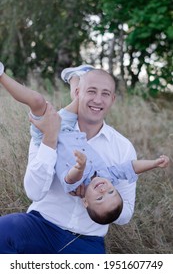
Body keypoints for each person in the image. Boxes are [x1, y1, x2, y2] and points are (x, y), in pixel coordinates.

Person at [0, 62, 169, 253]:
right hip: (42, 225)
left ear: (113, 99)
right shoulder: (52, 125)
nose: (98, 100)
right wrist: (49, 136)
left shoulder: (122, 148)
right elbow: (33, 192)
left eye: (105, 94)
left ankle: (78, 78)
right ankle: (75, 79)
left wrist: (98, 193)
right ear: (80, 92)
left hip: (86, 241)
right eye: (92, 91)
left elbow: (126, 214)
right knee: (4, 230)